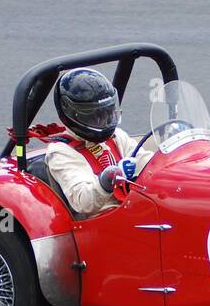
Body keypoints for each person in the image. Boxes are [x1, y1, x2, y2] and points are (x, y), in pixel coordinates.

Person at [42, 68, 153, 215]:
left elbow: (147, 163)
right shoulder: (61, 151)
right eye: (96, 115)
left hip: (133, 209)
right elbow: (82, 201)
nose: (105, 120)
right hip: (102, 224)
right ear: (73, 114)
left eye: (108, 112)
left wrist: (171, 158)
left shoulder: (116, 137)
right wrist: (107, 180)